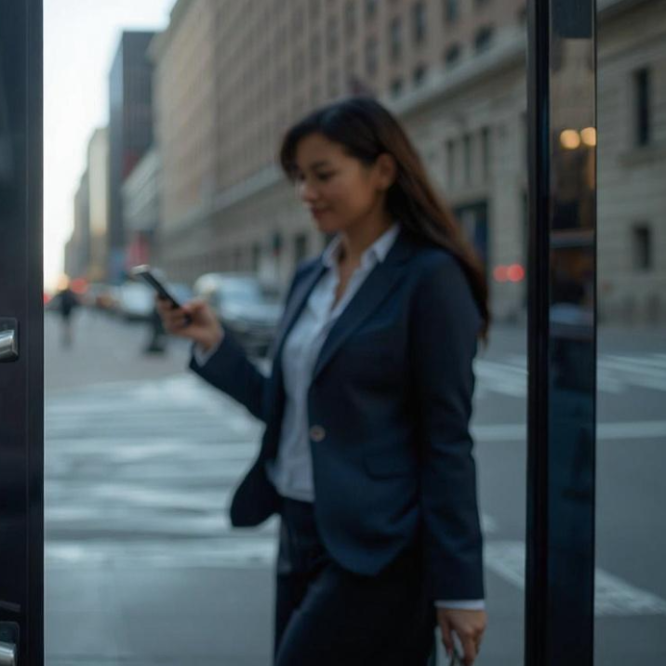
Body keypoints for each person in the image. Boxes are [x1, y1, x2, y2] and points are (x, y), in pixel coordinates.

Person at [157, 98, 488, 666]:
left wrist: (460, 587)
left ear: (383, 171)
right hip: (299, 527)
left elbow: (447, 441)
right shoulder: (311, 275)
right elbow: (288, 407)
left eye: (323, 175)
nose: (306, 192)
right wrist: (215, 345)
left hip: (380, 546)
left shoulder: (429, 277)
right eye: (300, 178)